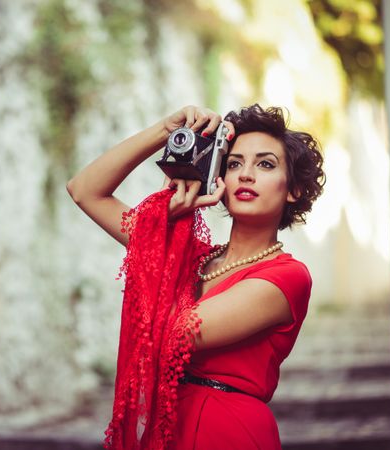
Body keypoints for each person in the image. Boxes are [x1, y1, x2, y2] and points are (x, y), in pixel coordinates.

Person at [67, 104, 325, 449]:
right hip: (169, 427)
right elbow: (85, 190)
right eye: (234, 163)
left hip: (228, 431)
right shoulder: (190, 257)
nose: (246, 174)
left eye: (265, 164)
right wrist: (165, 131)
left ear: (293, 190)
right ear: (219, 178)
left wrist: (168, 227)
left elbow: (176, 334)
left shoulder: (288, 276)